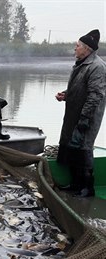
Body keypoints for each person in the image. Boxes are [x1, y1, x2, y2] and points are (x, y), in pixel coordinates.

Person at [55, 29, 106, 197]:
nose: (74, 49)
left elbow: (95, 95)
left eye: (77, 46)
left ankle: (87, 188)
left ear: (86, 49)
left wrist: (84, 119)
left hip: (87, 117)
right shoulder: (81, 63)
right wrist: (66, 94)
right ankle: (75, 184)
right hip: (74, 114)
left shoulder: (97, 67)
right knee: (72, 147)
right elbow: (79, 87)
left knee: (84, 148)